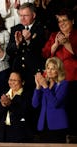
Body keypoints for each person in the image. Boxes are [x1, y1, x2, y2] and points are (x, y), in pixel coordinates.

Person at [42, 8, 77, 140]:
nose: (61, 23)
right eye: (59, 21)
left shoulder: (76, 35)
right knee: (57, 108)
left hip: (73, 79)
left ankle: (72, 135)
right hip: (56, 81)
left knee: (72, 109)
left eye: (64, 20)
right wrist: (55, 46)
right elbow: (45, 54)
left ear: (72, 21)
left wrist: (67, 44)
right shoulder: (54, 36)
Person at [6, 2, 46, 91]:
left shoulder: (41, 29)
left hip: (34, 72)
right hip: (18, 72)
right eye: (20, 15)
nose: (22, 18)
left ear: (33, 15)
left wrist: (29, 40)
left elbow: (42, 51)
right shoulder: (16, 29)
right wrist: (17, 44)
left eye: (26, 15)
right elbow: (9, 51)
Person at [32, 57, 69, 143]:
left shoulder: (64, 84)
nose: (49, 71)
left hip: (58, 126)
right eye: (48, 68)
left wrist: (44, 86)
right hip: (43, 125)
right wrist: (38, 86)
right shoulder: (45, 84)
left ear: (59, 70)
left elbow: (55, 103)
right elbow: (35, 104)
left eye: (53, 68)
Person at [0, 71, 33, 142]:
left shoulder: (27, 95)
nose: (12, 82)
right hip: (4, 135)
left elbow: (25, 114)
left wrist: (10, 104)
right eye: (10, 80)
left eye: (15, 80)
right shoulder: (5, 93)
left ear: (22, 82)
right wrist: (3, 106)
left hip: (21, 136)